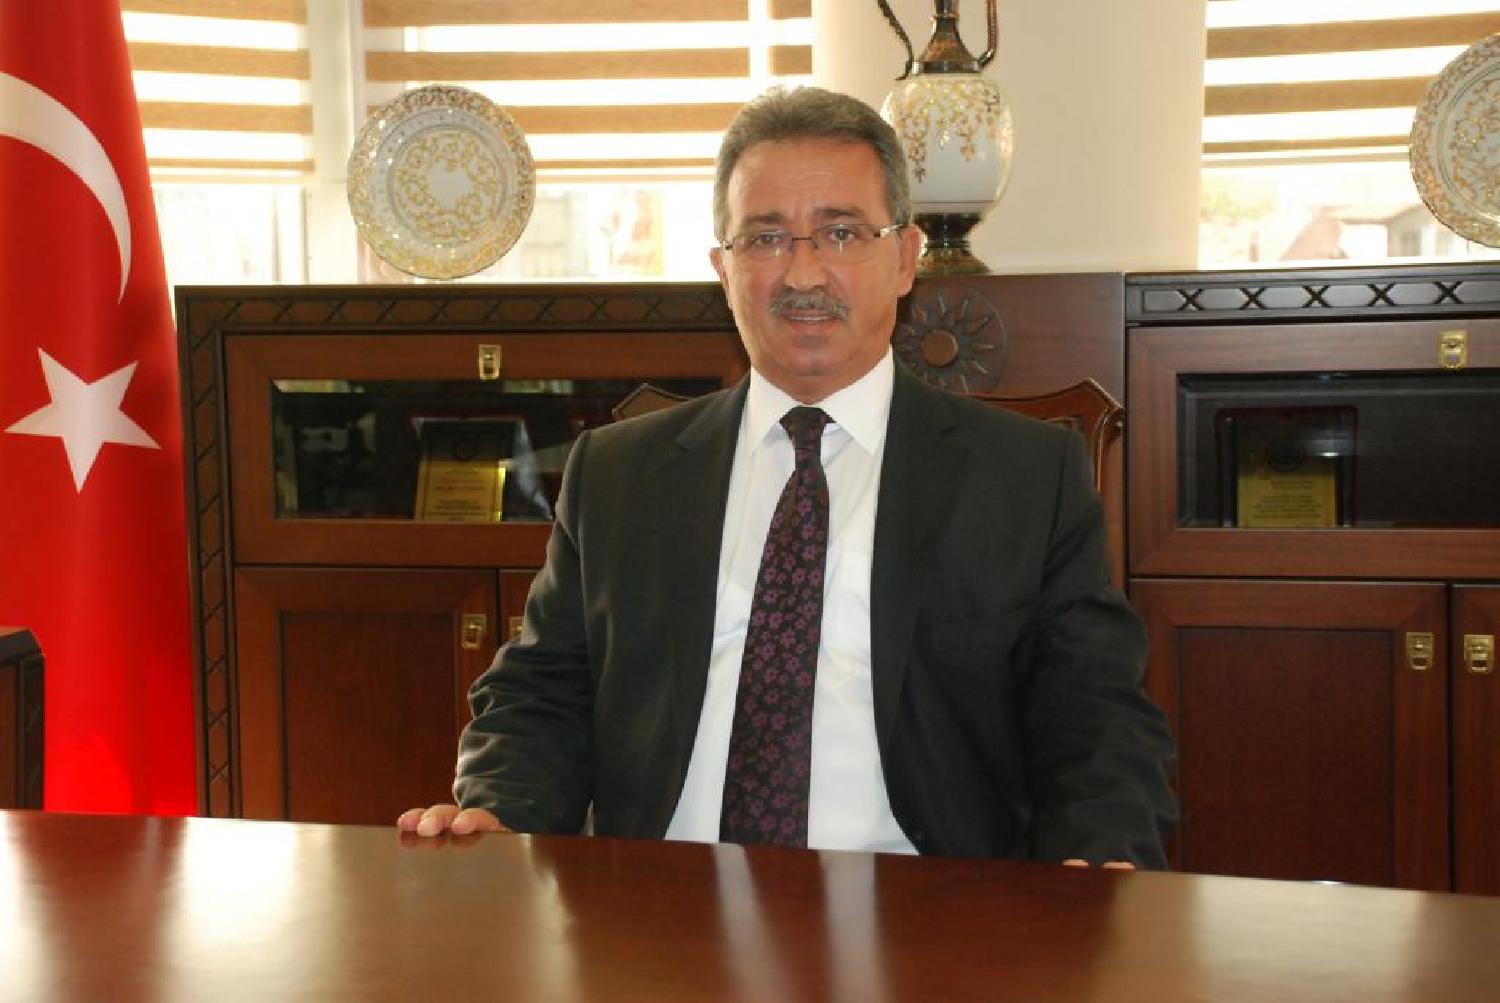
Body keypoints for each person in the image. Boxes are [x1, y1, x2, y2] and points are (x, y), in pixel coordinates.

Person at [398, 86, 1176, 868]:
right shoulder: (619, 474)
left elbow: (1095, 716)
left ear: (905, 258)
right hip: (658, 900)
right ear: (723, 268)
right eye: (766, 238)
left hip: (925, 904)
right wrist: (498, 806)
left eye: (841, 232)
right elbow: (543, 690)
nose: (803, 272)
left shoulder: (1025, 477)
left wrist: (1098, 858)